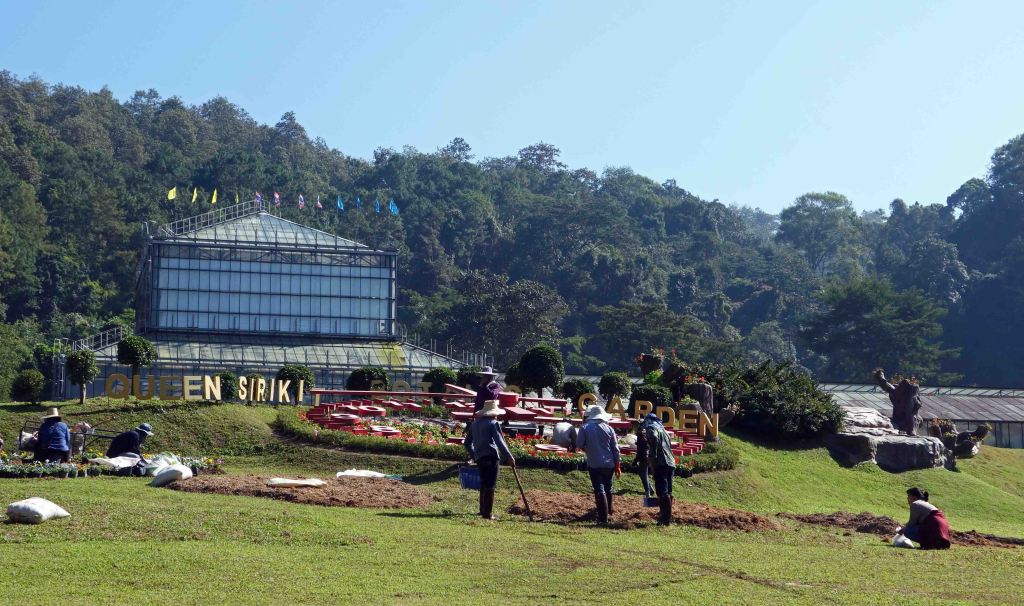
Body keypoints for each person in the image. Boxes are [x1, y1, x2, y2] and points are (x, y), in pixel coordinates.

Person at [463, 400, 515, 519]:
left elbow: (467, 443)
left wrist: (474, 455)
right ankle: (487, 513)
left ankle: (482, 510)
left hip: (480, 457)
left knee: (483, 483)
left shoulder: (475, 424)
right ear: (494, 413)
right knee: (490, 485)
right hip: (491, 457)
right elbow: (499, 442)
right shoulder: (493, 423)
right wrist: (509, 457)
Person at [576, 404, 621, 525]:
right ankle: (609, 511)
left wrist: (587, 446)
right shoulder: (609, 428)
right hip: (609, 464)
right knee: (608, 488)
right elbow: (615, 449)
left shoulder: (584, 428)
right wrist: (617, 464)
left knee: (599, 489)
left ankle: (602, 519)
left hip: (594, 463)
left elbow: (579, 445)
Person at [643, 412, 677, 525]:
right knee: (668, 490)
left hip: (661, 462)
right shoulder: (664, 430)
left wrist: (651, 459)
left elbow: (653, 439)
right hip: (670, 462)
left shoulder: (651, 428)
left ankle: (665, 518)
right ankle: (667, 515)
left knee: (662, 490)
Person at [873, 368, 922, 435]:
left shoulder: (910, 395)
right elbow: (885, 385)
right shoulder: (896, 391)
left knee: (909, 409)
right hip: (899, 418)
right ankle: (910, 430)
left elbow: (914, 409)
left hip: (910, 419)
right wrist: (880, 376)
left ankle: (911, 430)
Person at [634, 417, 652, 498]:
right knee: (643, 474)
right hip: (647, 457)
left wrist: (635, 461)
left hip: (643, 458)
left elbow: (640, 452)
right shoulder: (644, 434)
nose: (634, 428)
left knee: (643, 475)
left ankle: (648, 493)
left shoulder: (640, 436)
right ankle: (650, 488)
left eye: (635, 426)